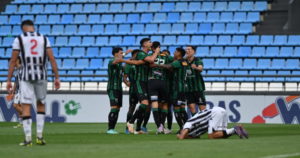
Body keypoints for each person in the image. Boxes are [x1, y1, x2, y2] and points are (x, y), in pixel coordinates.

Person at [6, 20, 60, 146]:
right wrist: (57, 77)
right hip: (42, 75)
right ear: (33, 27)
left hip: (26, 76)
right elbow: (52, 58)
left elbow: (13, 60)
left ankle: (28, 138)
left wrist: (8, 80)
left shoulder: (19, 39)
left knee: (26, 106)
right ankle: (40, 137)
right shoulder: (44, 38)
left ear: (23, 28)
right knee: (41, 103)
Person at [115, 38, 160, 134]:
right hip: (140, 82)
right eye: (149, 42)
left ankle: (137, 126)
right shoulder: (141, 53)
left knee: (146, 105)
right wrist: (156, 52)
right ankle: (131, 122)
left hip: (146, 82)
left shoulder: (146, 55)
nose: (151, 43)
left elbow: (139, 63)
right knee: (143, 104)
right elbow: (151, 60)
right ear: (144, 44)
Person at [156, 48, 189, 132]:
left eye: (175, 52)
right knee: (182, 108)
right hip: (183, 88)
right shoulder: (184, 61)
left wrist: (156, 64)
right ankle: (187, 127)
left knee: (176, 108)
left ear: (179, 53)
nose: (174, 53)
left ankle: (182, 128)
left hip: (177, 88)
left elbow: (168, 66)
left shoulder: (178, 62)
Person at [177, 107, 249, 140]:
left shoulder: (187, 124)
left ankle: (234, 129)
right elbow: (194, 137)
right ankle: (236, 129)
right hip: (220, 111)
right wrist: (186, 137)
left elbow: (182, 135)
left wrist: (180, 136)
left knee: (211, 136)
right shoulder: (193, 134)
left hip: (214, 114)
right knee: (219, 135)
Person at [148, 42, 173, 134]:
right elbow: (175, 61)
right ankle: (162, 125)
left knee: (154, 103)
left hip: (152, 81)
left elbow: (148, 63)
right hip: (163, 82)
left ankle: (159, 126)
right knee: (165, 104)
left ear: (152, 48)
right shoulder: (166, 56)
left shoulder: (150, 55)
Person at [106, 47, 125, 134]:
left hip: (119, 88)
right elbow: (115, 62)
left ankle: (113, 128)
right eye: (121, 53)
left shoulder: (120, 64)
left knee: (117, 108)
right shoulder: (111, 61)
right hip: (112, 88)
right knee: (114, 107)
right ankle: (110, 129)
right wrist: (126, 54)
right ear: (116, 54)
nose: (122, 54)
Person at [185, 45, 206, 116]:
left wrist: (195, 67)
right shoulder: (183, 61)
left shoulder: (197, 60)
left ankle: (204, 123)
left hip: (198, 88)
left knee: (202, 108)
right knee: (191, 107)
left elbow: (201, 68)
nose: (187, 51)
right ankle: (196, 122)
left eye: (189, 49)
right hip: (188, 89)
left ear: (194, 51)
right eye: (186, 50)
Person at [123, 49, 139, 134]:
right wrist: (127, 83)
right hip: (134, 88)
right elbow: (124, 77)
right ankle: (127, 127)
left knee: (143, 107)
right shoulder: (129, 63)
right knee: (132, 107)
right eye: (137, 54)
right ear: (134, 55)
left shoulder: (141, 62)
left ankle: (139, 127)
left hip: (142, 87)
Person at [12, 57, 23, 128]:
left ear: (18, 61)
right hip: (18, 90)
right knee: (17, 106)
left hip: (23, 90)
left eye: (15, 61)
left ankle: (26, 116)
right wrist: (13, 89)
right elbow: (16, 80)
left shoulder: (23, 68)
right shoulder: (16, 70)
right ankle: (21, 123)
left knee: (16, 105)